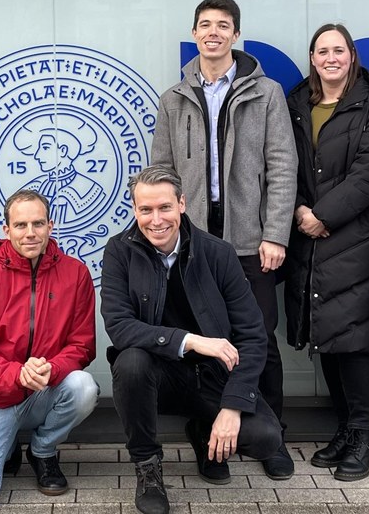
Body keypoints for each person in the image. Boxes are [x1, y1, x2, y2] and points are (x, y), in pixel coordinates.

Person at [150, 0, 297, 481]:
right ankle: (206, 442)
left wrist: (275, 234)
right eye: (205, 25)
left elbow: (282, 167)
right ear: (194, 33)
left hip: (250, 241)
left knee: (261, 342)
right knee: (201, 346)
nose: (213, 32)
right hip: (193, 244)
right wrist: (169, 235)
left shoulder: (266, 92)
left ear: (237, 35)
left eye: (223, 25)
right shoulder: (174, 98)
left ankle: (271, 438)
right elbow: (162, 171)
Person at [101, 165, 283, 514]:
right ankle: (147, 467)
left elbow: (252, 335)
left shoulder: (218, 253)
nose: (156, 219)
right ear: (135, 210)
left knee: (265, 438)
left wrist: (232, 407)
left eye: (165, 207)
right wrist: (192, 340)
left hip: (212, 377)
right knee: (130, 361)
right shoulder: (119, 251)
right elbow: (120, 327)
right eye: (146, 210)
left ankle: (204, 430)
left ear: (182, 204)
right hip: (158, 374)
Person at [283, 24, 369, 482]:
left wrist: (321, 216)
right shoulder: (295, 106)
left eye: (339, 50)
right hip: (307, 236)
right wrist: (295, 211)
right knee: (324, 334)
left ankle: (365, 435)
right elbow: (280, 164)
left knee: (352, 338)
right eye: (322, 51)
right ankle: (347, 429)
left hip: (354, 237)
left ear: (351, 56)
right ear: (312, 57)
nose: (330, 58)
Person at [0, 189, 98, 510]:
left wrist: (51, 369)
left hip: (45, 389)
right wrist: (17, 374)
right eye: (20, 225)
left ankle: (42, 451)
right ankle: (7, 444)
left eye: (38, 224)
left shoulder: (76, 274)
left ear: (51, 226)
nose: (30, 233)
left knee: (84, 387)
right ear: (6, 230)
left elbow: (82, 344)